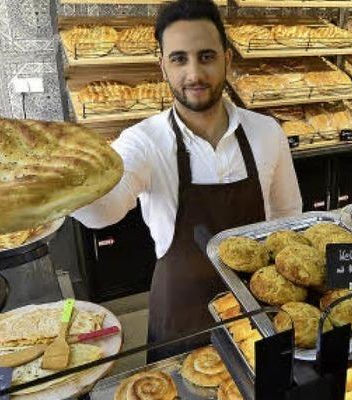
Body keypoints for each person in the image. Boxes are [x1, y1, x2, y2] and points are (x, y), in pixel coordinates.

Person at [72, 0, 302, 361]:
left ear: (228, 58)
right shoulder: (143, 141)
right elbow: (104, 212)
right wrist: (57, 182)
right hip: (181, 314)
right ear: (161, 66)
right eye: (179, 59)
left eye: (206, 56)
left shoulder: (266, 132)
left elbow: (289, 217)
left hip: (258, 308)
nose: (194, 73)